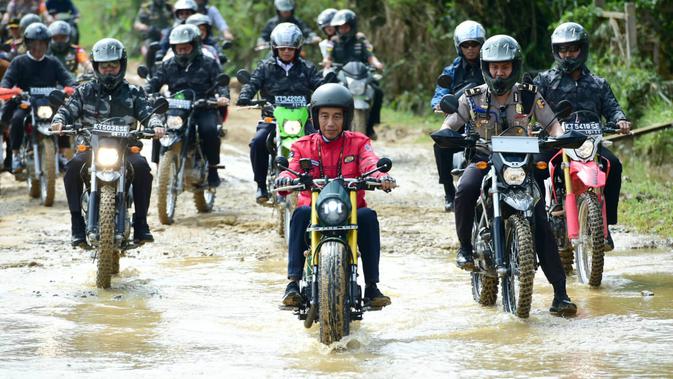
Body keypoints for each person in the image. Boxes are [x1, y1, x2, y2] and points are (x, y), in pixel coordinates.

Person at [440, 35, 577, 316]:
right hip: (483, 159)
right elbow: (451, 122)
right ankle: (465, 248)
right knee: (465, 190)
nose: (499, 73)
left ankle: (560, 294)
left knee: (540, 220)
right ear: (486, 68)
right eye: (494, 67)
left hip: (520, 165)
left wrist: (561, 138)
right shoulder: (472, 96)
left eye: (504, 67)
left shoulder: (529, 95)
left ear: (514, 67)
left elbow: (552, 124)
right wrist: (446, 133)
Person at [275, 83, 396, 308]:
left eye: (337, 116)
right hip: (313, 210)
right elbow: (291, 167)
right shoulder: (302, 145)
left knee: (368, 216)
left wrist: (381, 176)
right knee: (299, 214)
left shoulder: (360, 142)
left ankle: (371, 286)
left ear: (346, 117)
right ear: (315, 118)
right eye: (325, 116)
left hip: (351, 210)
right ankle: (293, 283)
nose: (330, 123)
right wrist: (284, 178)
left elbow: (370, 162)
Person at [51, 38, 165, 247]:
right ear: (96, 67)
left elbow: (149, 113)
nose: (109, 70)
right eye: (104, 66)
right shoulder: (84, 91)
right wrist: (59, 121)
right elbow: (67, 110)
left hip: (126, 148)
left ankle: (141, 224)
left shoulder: (134, 93)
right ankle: (77, 223)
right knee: (73, 167)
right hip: (91, 148)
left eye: (113, 65)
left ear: (121, 65)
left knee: (142, 167)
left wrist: (156, 125)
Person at [533, 22, 630, 252]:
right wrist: (527, 125)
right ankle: (535, 221)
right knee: (533, 167)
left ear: (582, 50)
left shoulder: (598, 83)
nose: (568, 54)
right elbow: (529, 106)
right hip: (555, 142)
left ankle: (606, 227)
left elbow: (613, 108)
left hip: (590, 144)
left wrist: (621, 120)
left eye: (573, 49)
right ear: (556, 52)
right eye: (563, 50)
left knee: (613, 165)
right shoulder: (544, 81)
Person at [237, 22, 323, 204]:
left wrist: (327, 96)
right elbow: (252, 83)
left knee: (320, 143)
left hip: (302, 119)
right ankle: (261, 185)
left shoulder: (307, 68)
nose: (286, 52)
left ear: (297, 49)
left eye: (290, 49)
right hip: (272, 118)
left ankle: (321, 185)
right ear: (275, 48)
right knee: (258, 143)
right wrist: (245, 96)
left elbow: (321, 85)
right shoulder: (265, 67)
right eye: (282, 48)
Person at [145, 24, 230, 188]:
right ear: (173, 48)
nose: (182, 51)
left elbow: (221, 84)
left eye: (186, 48)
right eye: (179, 48)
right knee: (160, 129)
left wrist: (223, 97)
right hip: (177, 108)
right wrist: (148, 93)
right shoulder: (167, 65)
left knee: (209, 130)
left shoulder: (209, 63)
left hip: (203, 107)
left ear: (196, 46)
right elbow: (153, 83)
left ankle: (212, 168)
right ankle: (158, 165)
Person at [0, 22, 74, 173]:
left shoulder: (53, 62)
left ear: (47, 44)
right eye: (34, 43)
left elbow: (68, 79)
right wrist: (11, 90)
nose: (38, 48)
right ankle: (15, 155)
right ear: (27, 43)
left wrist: (70, 88)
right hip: (26, 104)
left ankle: (61, 154)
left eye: (42, 44)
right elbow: (6, 81)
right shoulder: (18, 62)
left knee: (64, 118)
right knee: (17, 119)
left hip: (48, 104)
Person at [430, 20, 485, 212]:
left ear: (481, 44)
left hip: (488, 119)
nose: (470, 49)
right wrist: (439, 103)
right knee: (440, 145)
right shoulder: (452, 70)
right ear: (459, 46)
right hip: (460, 119)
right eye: (466, 45)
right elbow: (440, 91)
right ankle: (448, 191)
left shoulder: (490, 65)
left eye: (474, 44)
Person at [325, 9, 383, 139]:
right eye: (340, 27)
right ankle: (325, 124)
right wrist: (327, 64)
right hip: (341, 74)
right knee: (325, 89)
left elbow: (370, 56)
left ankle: (371, 126)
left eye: (345, 26)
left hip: (361, 74)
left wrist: (377, 64)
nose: (343, 29)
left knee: (378, 92)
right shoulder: (333, 41)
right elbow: (328, 58)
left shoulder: (360, 39)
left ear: (352, 26)